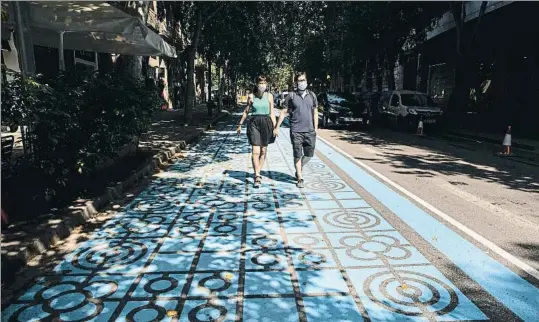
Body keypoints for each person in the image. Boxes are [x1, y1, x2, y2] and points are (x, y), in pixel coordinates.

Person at [274, 72, 318, 188]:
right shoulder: (291, 96)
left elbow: (315, 112)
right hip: (296, 130)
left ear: (306, 81)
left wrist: (316, 129)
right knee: (297, 154)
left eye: (303, 80)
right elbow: (283, 112)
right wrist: (277, 127)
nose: (302, 82)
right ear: (296, 83)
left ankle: (300, 166)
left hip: (309, 131)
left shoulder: (312, 95)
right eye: (299, 81)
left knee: (309, 154)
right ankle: (299, 177)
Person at [237, 75, 276, 188]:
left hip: (266, 123)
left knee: (263, 150)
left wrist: (275, 127)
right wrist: (240, 124)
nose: (262, 85)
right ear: (256, 84)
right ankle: (257, 175)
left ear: (266, 84)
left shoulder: (270, 97)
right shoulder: (251, 96)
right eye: (260, 83)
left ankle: (257, 170)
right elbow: (246, 111)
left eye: (264, 83)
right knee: (255, 151)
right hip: (254, 123)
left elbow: (272, 113)